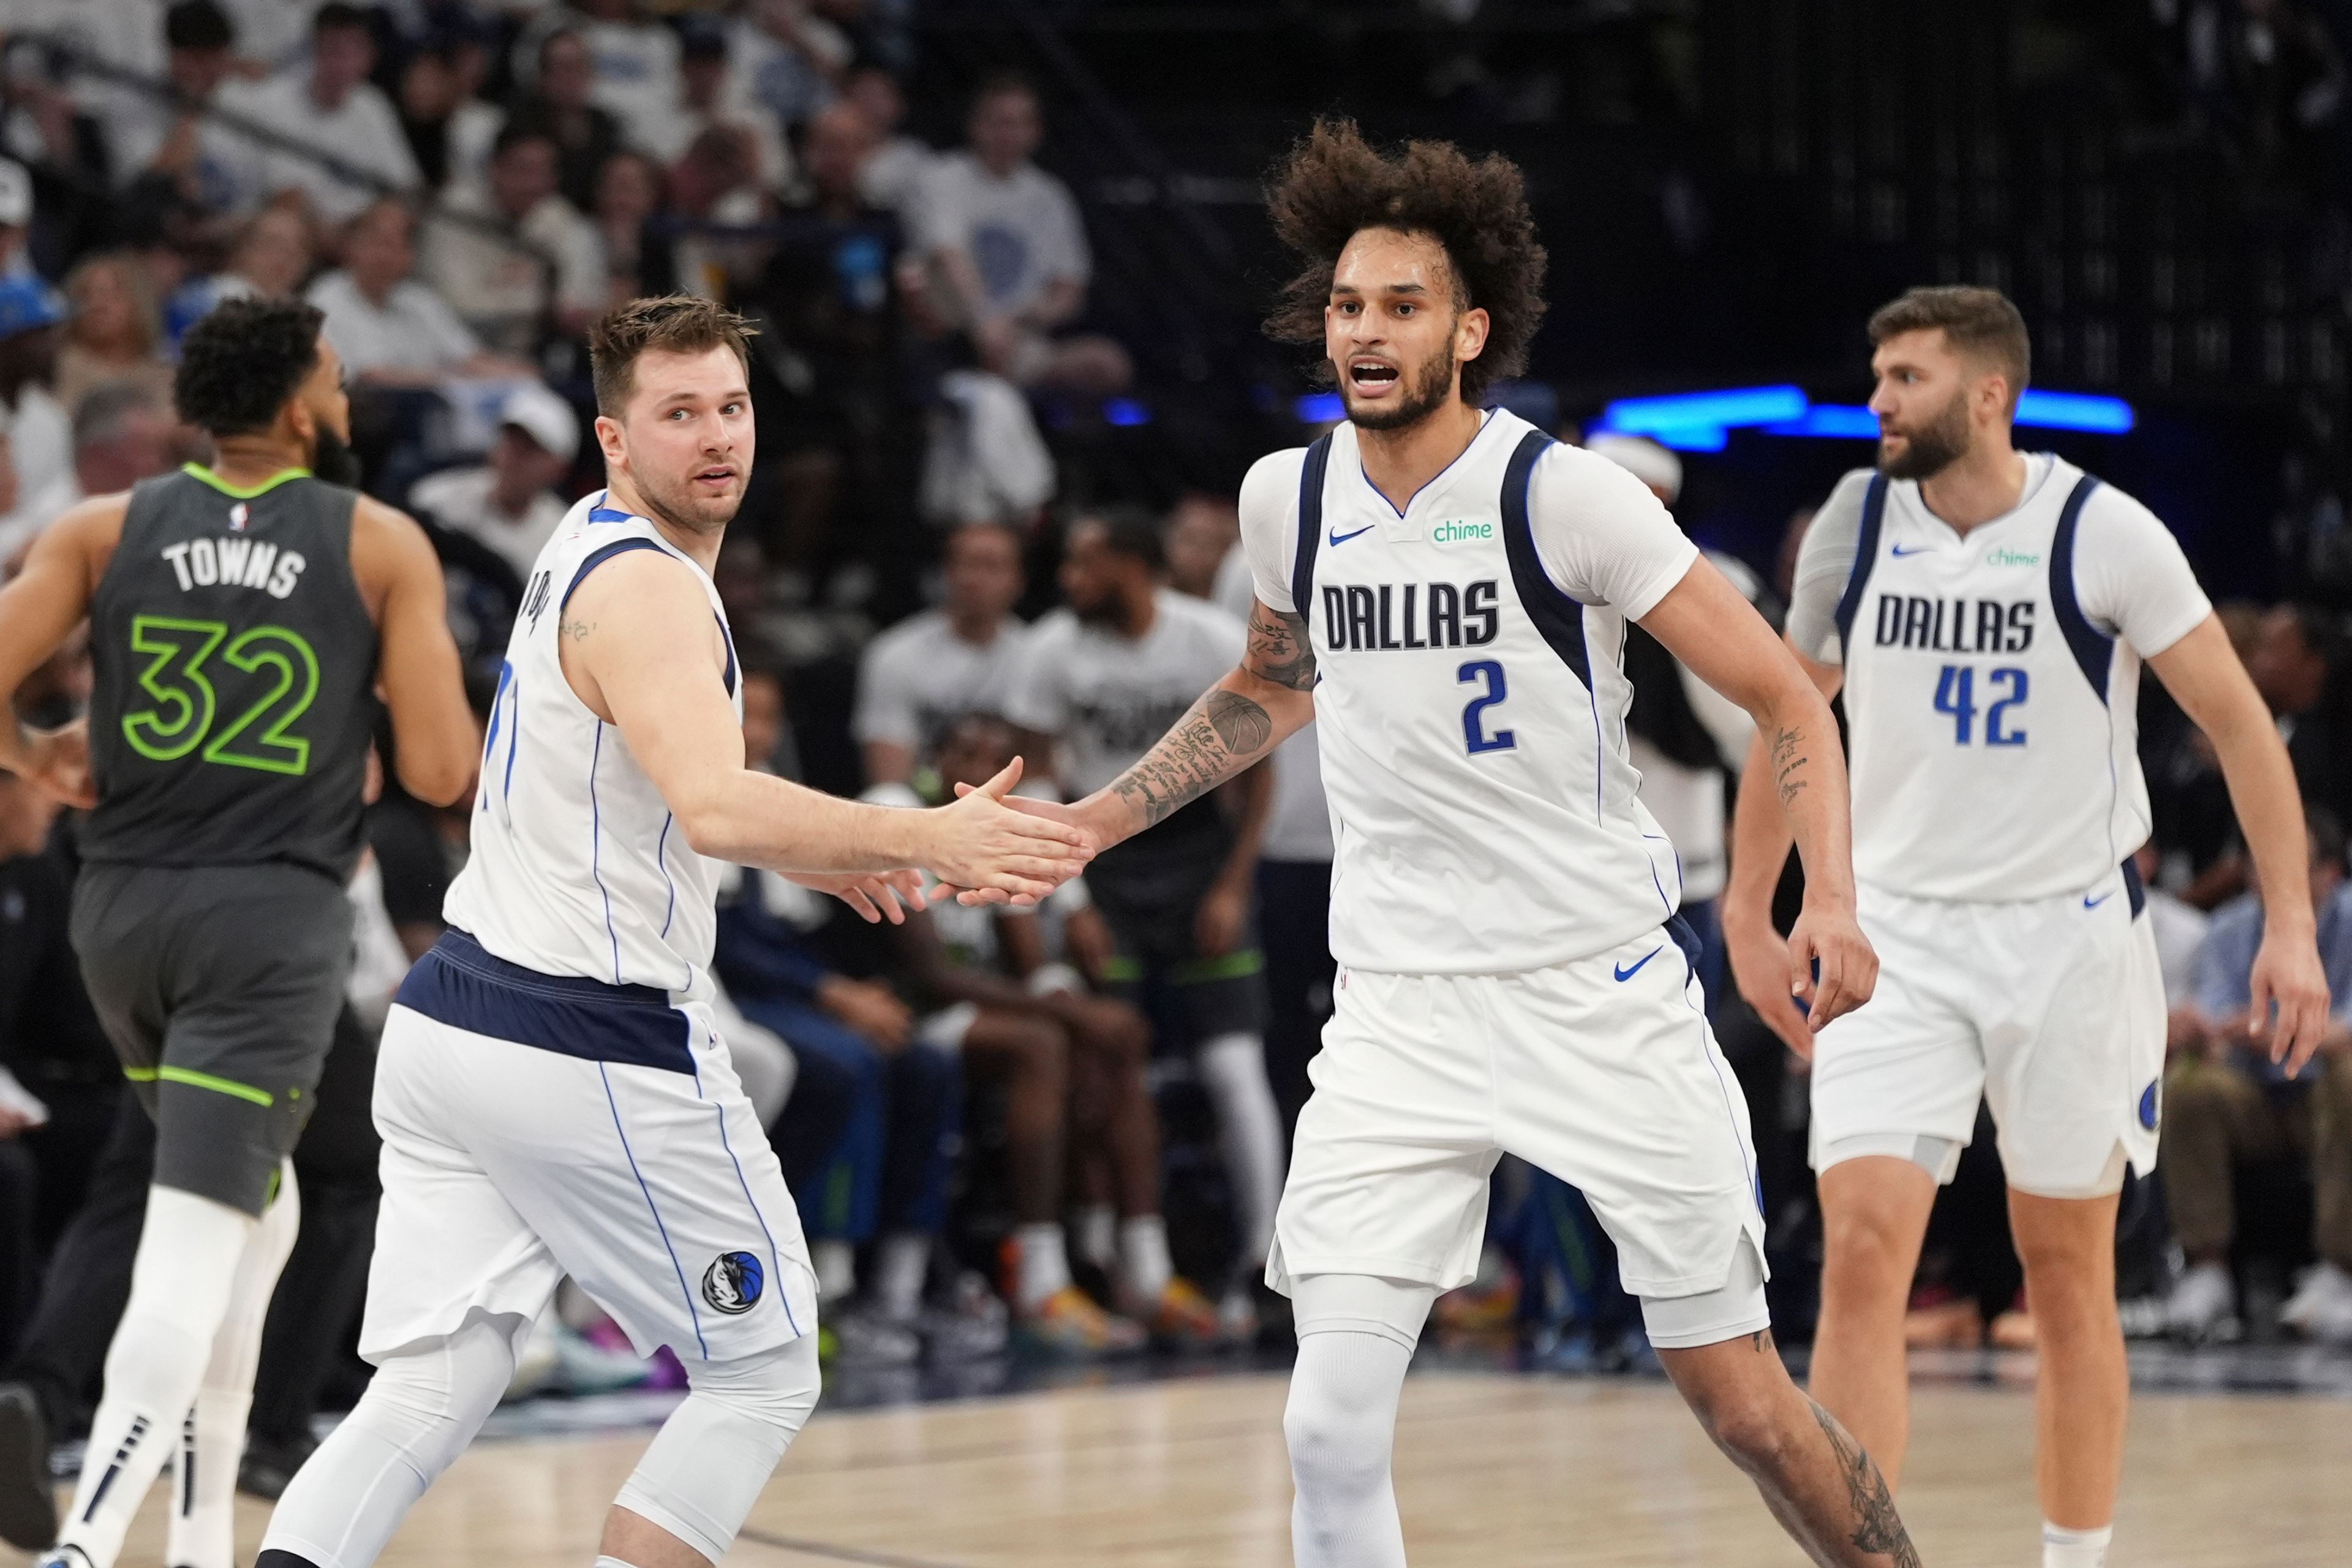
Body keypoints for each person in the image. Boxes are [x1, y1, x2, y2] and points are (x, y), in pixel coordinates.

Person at [973, 119, 1914, 1567]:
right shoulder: (1284, 498)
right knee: (1326, 1426)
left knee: (1741, 1405)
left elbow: (1786, 691)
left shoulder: (1563, 497)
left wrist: (1827, 897)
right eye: (1346, 304)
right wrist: (1096, 819)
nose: (1364, 330)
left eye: (1400, 305)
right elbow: (1270, 687)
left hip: (1589, 987)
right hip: (1398, 1006)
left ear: (1466, 330)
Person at [253, 295, 1090, 1568]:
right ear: (613, 438)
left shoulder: (593, 540)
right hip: (579, 1035)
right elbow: (711, 802)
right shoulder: (648, 587)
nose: (716, 438)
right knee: (761, 1368)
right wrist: (927, 834)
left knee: (430, 1386)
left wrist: (829, 846)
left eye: (733, 407)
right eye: (679, 413)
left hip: (456, 1018)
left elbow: (669, 795)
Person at [1724, 284, 2331, 1568]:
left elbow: (2238, 727)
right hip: (1895, 937)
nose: (1879, 399)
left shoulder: (2103, 530)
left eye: (1908, 377)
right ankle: (1861, 1558)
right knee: (1863, 1251)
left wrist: (2290, 926)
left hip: (2070, 942)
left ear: (1988, 392)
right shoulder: (1854, 521)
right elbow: (1791, 718)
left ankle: (2075, 1558)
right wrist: (1749, 903)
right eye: (1876, 374)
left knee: (2067, 1275)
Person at [0, 295, 480, 1568]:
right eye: (330, 376)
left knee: (253, 1209)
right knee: (195, 1231)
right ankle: (92, 1540)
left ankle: (206, 1536)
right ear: (291, 404)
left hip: (121, 920)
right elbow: (441, 769)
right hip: (264, 922)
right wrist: (370, 691)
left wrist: (36, 754)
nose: (342, 394)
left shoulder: (102, 527)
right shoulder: (379, 544)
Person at [1006, 506, 1289, 1337]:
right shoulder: (1052, 649)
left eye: (1084, 564)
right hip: (1108, 865)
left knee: (1235, 1069)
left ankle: (1264, 1260)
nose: (1069, 581)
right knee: (1110, 1064)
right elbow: (1039, 779)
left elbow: (1261, 774)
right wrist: (1074, 900)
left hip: (1203, 858)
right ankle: (1119, 1259)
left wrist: (1235, 886)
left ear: (1132, 566)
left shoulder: (1205, 639)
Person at [899, 711, 1218, 1349]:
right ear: (935, 763)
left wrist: (1068, 995)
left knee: (1110, 1037)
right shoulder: (902, 827)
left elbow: (1029, 960)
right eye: (966, 754)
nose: (979, 773)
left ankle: (1140, 1266)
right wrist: (1066, 1010)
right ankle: (1039, 1277)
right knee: (1046, 1041)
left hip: (993, 1012)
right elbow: (936, 978)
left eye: (996, 761)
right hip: (915, 1018)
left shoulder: (991, 839)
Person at [2159, 810, 2352, 1341]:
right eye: (2257, 868)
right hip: (2258, 1091)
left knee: (2350, 1074)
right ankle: (2206, 1269)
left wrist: (2291, 1030)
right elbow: (2220, 1028)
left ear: (2329, 873)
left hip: (2326, 1089)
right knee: (2192, 1084)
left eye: (2285, 867)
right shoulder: (2228, 926)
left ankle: (2342, 1271)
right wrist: (2205, 1032)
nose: (2263, 882)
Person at [911, 74, 1129, 398]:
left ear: (1037, 132)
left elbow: (1070, 288)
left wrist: (1022, 320)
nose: (1009, 134)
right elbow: (947, 257)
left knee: (1108, 364)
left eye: (1021, 124)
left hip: (1022, 339)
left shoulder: (1050, 196)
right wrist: (985, 321)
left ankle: (1053, 443)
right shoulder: (940, 178)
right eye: (999, 122)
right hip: (949, 332)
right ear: (974, 126)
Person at [855, 521, 1031, 790]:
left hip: (1012, 797)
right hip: (927, 795)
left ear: (1018, 581)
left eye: (991, 566)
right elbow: (889, 774)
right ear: (947, 573)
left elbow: (1045, 762)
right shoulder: (895, 654)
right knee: (889, 795)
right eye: (968, 564)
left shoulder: (1036, 657)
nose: (976, 580)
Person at [421, 121, 608, 356]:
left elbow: (582, 302)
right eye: (523, 169)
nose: (534, 183)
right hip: (460, 354)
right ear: (494, 168)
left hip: (536, 355)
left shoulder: (559, 217)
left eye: (544, 171)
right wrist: (540, 304)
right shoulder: (453, 214)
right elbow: (457, 305)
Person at [225, 4, 421, 227]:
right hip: (297, 231)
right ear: (315, 48)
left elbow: (406, 187)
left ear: (368, 57)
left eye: (352, 52)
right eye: (334, 50)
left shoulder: (373, 104)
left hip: (361, 232)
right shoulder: (272, 100)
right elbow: (286, 198)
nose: (341, 64)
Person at [305, 198, 527, 388]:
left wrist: (516, 372)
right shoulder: (326, 296)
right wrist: (451, 378)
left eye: (393, 245)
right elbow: (371, 377)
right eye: (374, 242)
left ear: (409, 256)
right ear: (351, 246)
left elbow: (470, 358)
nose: (382, 255)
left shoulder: (421, 300)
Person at [408, 380, 582, 582]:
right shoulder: (437, 500)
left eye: (529, 450)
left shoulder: (567, 538)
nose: (514, 458)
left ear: (560, 469)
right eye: (510, 442)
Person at [51, 254, 175, 419]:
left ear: (139, 302)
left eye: (111, 295)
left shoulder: (165, 378)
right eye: (86, 296)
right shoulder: (56, 370)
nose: (97, 305)